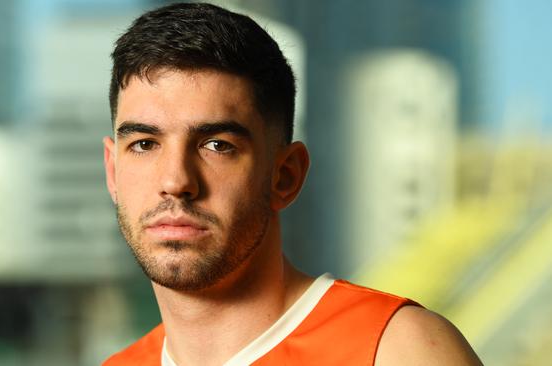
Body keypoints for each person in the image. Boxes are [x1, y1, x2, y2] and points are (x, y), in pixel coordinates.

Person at [101, 3, 482, 365]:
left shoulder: (398, 351)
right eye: (144, 144)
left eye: (218, 146)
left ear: (286, 175)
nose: (176, 180)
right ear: (113, 171)